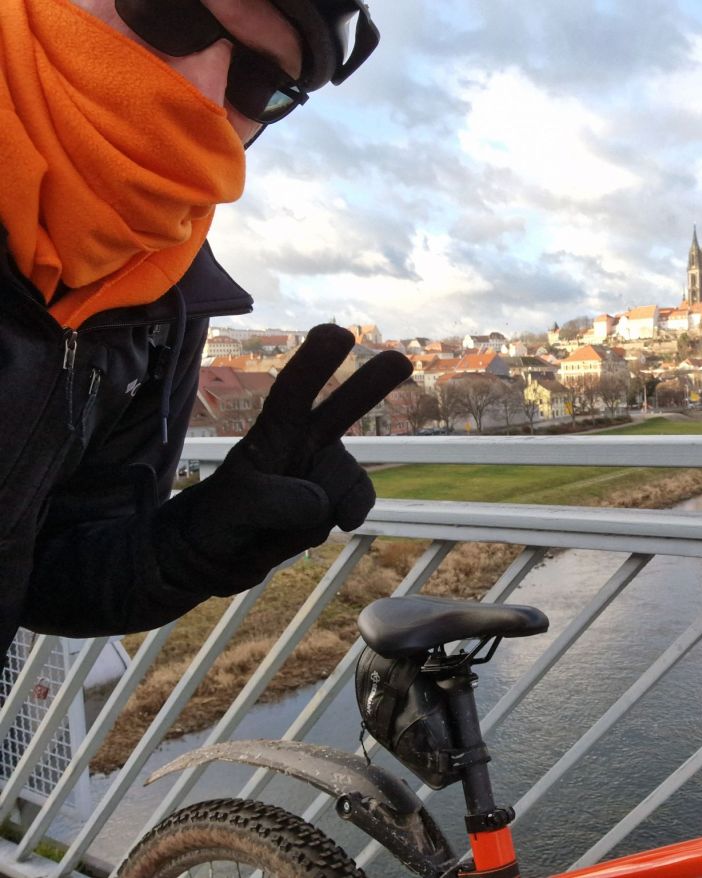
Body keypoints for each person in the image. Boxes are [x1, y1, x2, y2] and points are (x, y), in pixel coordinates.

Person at [0, 0, 410, 660]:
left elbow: (44, 571)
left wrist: (192, 543)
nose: (202, 90)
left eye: (263, 85)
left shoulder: (167, 292)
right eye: (167, 12)